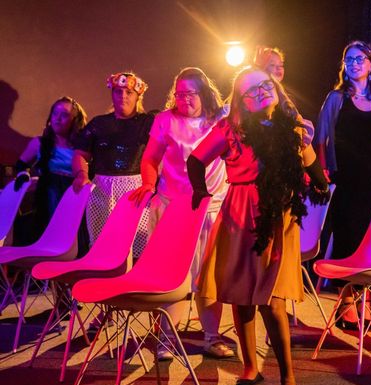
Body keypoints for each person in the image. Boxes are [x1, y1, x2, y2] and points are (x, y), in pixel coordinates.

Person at [187, 67, 329, 385]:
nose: (261, 92)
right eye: (251, 91)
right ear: (240, 101)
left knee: (272, 302)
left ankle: (288, 375)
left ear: (276, 88)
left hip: (278, 218)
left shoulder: (293, 128)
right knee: (242, 295)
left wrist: (317, 183)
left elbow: (317, 174)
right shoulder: (230, 130)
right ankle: (251, 367)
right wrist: (200, 191)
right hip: (241, 214)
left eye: (265, 85)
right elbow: (195, 160)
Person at [129, 67, 233, 359]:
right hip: (172, 206)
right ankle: (166, 339)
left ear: (204, 93)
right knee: (171, 276)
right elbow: (150, 158)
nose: (184, 99)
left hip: (211, 208)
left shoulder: (221, 118)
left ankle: (211, 337)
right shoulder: (165, 120)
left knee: (208, 277)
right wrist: (148, 183)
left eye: (190, 94)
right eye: (179, 94)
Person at [312, 40, 371, 329]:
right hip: (345, 177)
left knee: (368, 240)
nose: (353, 64)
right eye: (349, 59)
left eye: (359, 59)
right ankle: (346, 304)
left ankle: (363, 302)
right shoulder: (337, 98)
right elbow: (321, 137)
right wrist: (323, 171)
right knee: (348, 238)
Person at [72, 72, 154, 258]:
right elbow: (80, 154)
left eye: (128, 92)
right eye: (118, 91)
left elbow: (158, 153)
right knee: (102, 247)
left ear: (138, 96)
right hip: (103, 190)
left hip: (135, 190)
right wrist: (81, 174)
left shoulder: (147, 123)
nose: (123, 96)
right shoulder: (99, 123)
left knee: (136, 246)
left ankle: (133, 277)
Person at [15, 97, 88, 240]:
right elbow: (21, 164)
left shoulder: (82, 146)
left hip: (75, 192)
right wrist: (24, 175)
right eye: (55, 113)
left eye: (64, 115)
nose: (57, 119)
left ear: (74, 120)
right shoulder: (39, 143)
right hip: (49, 194)